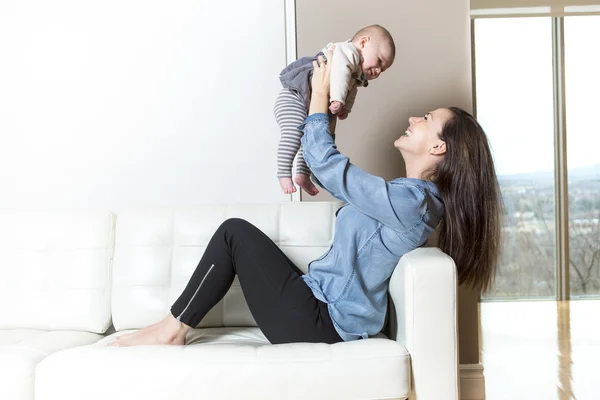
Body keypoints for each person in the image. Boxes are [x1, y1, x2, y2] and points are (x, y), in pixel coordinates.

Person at [111, 48, 501, 347]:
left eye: (427, 120)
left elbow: (329, 167)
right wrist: (327, 108)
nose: (415, 120)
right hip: (320, 307)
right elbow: (327, 168)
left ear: (439, 149)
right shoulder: (405, 198)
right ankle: (172, 327)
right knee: (238, 235)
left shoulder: (412, 204)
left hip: (323, 324)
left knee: (234, 234)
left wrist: (317, 92)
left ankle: (171, 329)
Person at [275, 24, 395, 196]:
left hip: (308, 104)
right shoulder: (346, 52)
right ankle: (283, 173)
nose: (378, 71)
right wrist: (338, 98)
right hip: (294, 98)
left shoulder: (356, 72)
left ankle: (302, 174)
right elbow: (340, 74)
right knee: (294, 134)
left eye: (382, 70)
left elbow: (351, 90)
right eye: (379, 61)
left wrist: (346, 108)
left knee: (312, 140)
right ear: (363, 42)